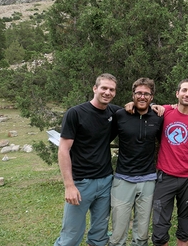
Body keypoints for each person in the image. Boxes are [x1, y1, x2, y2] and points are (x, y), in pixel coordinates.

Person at [54, 73, 121, 246]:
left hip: (106, 181)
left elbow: (135, 108)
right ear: (95, 88)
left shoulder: (114, 112)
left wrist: (165, 107)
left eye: (111, 89)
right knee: (71, 235)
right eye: (104, 88)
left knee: (99, 235)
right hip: (81, 183)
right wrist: (69, 186)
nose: (107, 92)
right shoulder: (75, 113)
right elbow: (63, 150)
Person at [150, 79, 188, 246]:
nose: (187, 94)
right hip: (165, 177)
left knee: (185, 226)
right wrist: (152, 104)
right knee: (159, 228)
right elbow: (146, 106)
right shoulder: (165, 112)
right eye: (184, 90)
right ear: (177, 93)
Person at [109, 78, 164, 246]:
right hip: (123, 178)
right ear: (133, 95)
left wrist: (161, 107)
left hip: (147, 179)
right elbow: (104, 138)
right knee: (118, 232)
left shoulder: (158, 117)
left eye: (146, 94)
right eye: (139, 93)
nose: (142, 97)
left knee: (142, 233)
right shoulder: (120, 115)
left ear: (152, 96)